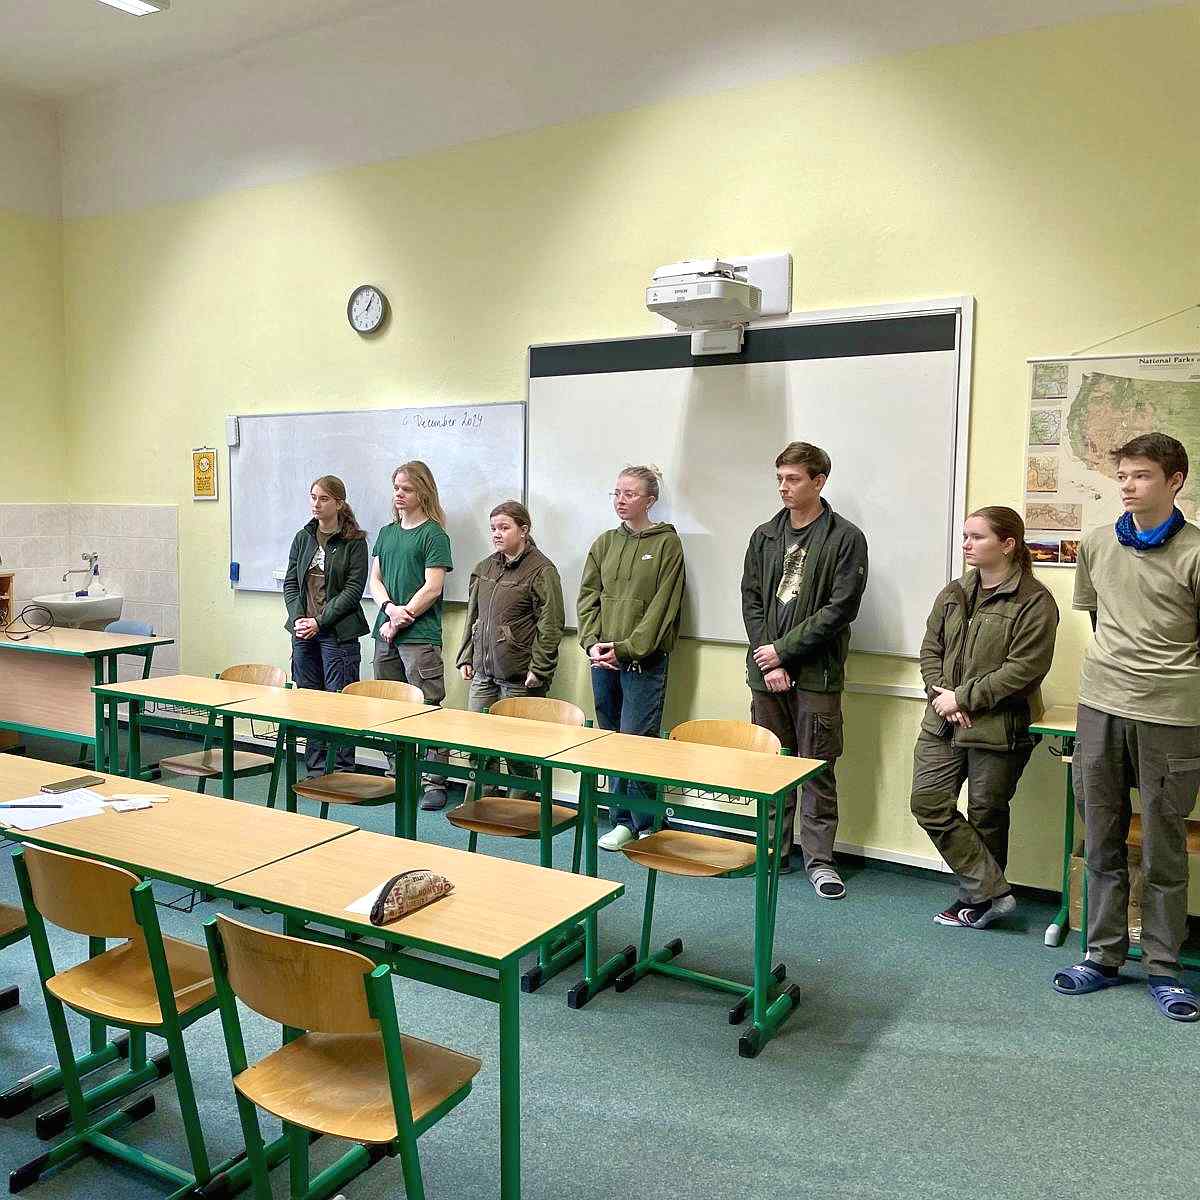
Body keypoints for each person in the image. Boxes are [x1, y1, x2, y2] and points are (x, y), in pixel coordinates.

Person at [1053, 433, 1200, 1022]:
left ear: (1175, 481)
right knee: (1101, 834)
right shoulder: (1095, 543)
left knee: (1164, 843)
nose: (1128, 487)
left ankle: (1164, 967)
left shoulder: (1196, 552)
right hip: (1101, 703)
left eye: (1142, 476)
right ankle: (1102, 955)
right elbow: (1097, 616)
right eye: (1123, 477)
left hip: (1171, 713)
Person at [911, 507, 1058, 928]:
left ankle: (975, 899)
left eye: (977, 537)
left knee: (986, 812)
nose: (966, 544)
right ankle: (993, 893)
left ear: (1007, 544)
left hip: (997, 725)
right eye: (965, 536)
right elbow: (930, 650)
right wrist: (943, 696)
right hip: (943, 720)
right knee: (928, 803)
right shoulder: (954, 592)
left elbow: (1024, 669)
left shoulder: (1034, 600)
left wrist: (964, 698)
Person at [741, 441, 868, 894]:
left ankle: (820, 860)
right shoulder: (764, 536)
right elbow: (751, 601)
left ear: (818, 481)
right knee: (772, 766)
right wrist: (768, 657)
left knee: (816, 768)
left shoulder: (845, 538)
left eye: (793, 479)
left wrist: (784, 652)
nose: (783, 487)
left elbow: (840, 609)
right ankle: (773, 850)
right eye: (780, 478)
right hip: (766, 672)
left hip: (817, 674)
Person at [578, 466, 685, 851]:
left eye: (630, 494)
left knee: (637, 741)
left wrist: (625, 649)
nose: (621, 500)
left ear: (649, 500)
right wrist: (592, 643)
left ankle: (647, 823)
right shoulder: (605, 543)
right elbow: (588, 596)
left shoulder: (667, 545)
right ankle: (621, 819)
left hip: (642, 662)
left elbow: (662, 608)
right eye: (617, 493)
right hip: (602, 661)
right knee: (612, 740)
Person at [456, 501, 565, 793]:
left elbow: (551, 625)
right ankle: (479, 804)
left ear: (524, 530)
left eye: (504, 528)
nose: (496, 534)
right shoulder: (485, 568)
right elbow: (473, 616)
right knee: (478, 747)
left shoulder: (541, 570)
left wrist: (540, 668)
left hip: (518, 677)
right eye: (493, 528)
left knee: (519, 751)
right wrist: (466, 655)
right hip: (483, 674)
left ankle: (521, 807)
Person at [368, 460, 454, 810]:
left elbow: (433, 587)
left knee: (428, 707)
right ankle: (398, 774)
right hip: (385, 631)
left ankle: (434, 781)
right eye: (396, 488)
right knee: (390, 705)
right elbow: (375, 580)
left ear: (423, 492)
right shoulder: (387, 532)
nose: (399, 494)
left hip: (419, 636)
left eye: (407, 489)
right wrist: (389, 610)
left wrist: (401, 618)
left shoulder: (434, 534)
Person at [283, 475, 370, 773]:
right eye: (313, 497)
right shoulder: (303, 537)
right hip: (303, 633)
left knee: (339, 703)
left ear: (339, 503)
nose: (316, 504)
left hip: (337, 633)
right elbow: (291, 584)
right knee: (310, 700)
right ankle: (317, 769)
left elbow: (352, 591)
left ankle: (342, 770)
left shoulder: (354, 542)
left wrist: (319, 622)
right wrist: (299, 618)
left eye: (323, 499)